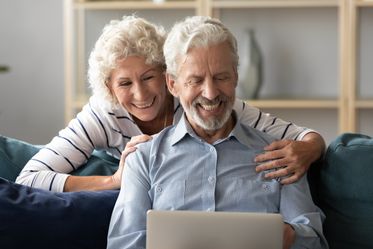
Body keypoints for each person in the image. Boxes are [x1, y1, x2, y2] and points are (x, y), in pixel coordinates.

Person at [16, 15, 324, 192]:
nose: (140, 94)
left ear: (169, 78)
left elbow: (305, 136)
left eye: (149, 76)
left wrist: (308, 149)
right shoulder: (103, 112)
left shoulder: (203, 102)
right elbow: (30, 178)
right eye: (125, 83)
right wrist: (113, 181)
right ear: (109, 87)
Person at [107, 16, 328, 249]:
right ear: (173, 85)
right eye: (196, 80)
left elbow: (315, 241)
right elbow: (124, 243)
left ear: (235, 77)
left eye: (221, 77)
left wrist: (291, 236)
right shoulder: (143, 160)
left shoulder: (281, 156)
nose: (211, 93)